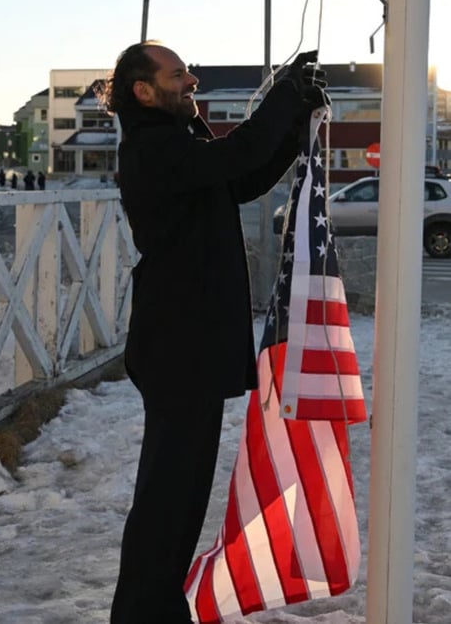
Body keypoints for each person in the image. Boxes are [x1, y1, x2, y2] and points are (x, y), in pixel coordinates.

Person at [101, 42, 326, 623]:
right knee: (165, 502)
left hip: (187, 348)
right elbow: (235, 158)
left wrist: (295, 118)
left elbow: (242, 176)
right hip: (177, 349)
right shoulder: (152, 148)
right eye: (178, 75)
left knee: (180, 498)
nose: (192, 80)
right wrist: (284, 93)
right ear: (144, 91)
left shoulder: (176, 143)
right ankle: (141, 613)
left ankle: (158, 606)